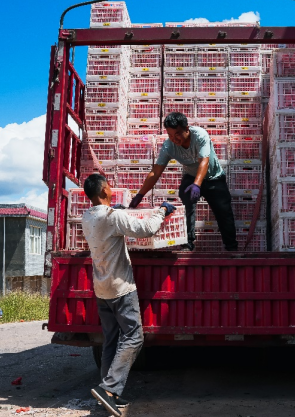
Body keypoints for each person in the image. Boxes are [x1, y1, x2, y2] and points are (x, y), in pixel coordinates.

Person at [81, 173, 176, 417]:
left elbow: (110, 220)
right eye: (109, 187)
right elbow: (145, 230)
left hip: (101, 288)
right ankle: (109, 388)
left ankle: (107, 393)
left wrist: (120, 211)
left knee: (111, 342)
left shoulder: (88, 216)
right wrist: (162, 210)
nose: (112, 190)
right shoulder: (113, 217)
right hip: (120, 288)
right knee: (134, 337)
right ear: (103, 191)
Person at [128, 112, 238, 251]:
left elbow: (204, 162)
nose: (174, 139)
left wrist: (197, 185)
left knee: (223, 210)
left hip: (213, 177)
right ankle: (188, 243)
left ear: (187, 129)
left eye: (177, 134)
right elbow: (156, 172)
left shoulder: (200, 136)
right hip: (190, 176)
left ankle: (231, 248)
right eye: (170, 135)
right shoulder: (169, 146)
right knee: (186, 205)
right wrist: (140, 194)